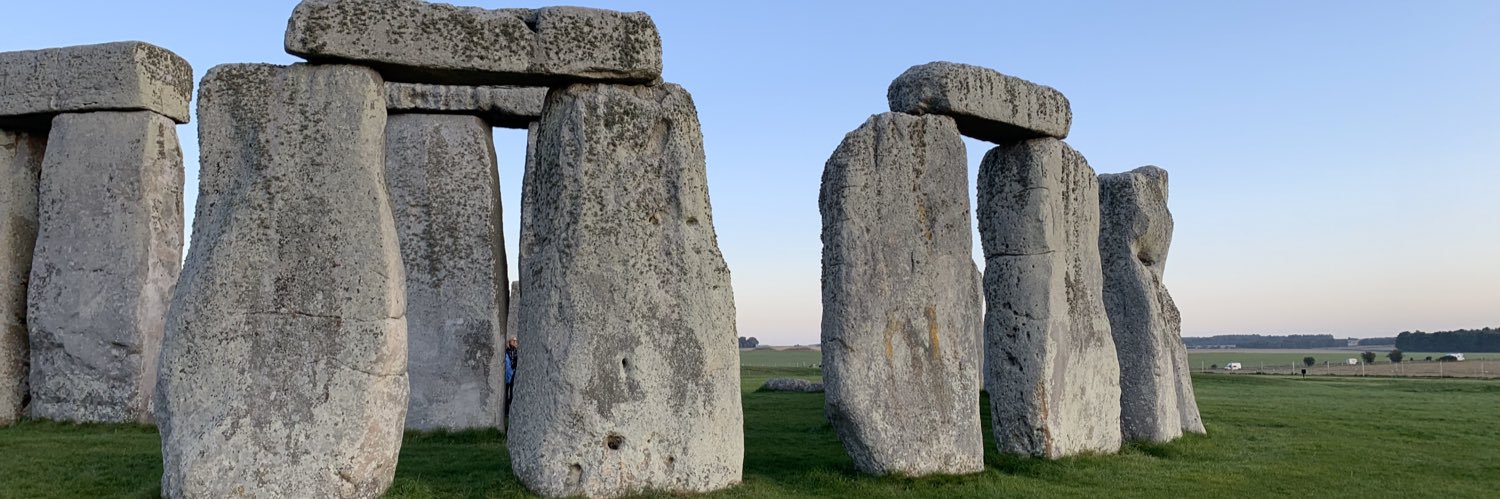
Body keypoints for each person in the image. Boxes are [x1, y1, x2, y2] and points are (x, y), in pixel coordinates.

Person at [504, 337, 518, 427]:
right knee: (505, 394)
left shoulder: (516, 352)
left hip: (513, 374)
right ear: (509, 342)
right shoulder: (507, 352)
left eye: (516, 341)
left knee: (512, 393)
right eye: (513, 341)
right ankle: (506, 411)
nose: (515, 342)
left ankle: (510, 411)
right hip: (507, 375)